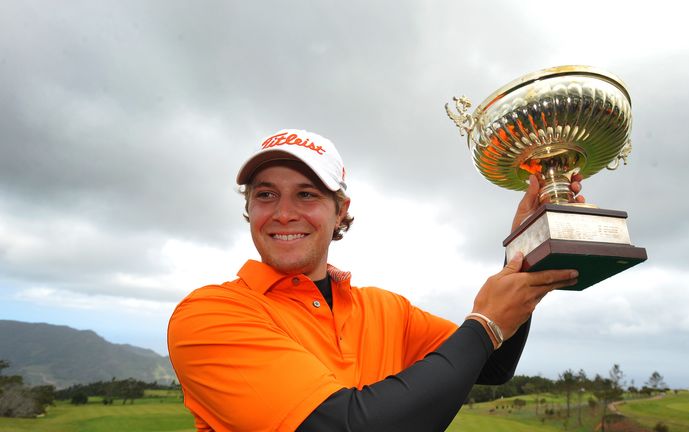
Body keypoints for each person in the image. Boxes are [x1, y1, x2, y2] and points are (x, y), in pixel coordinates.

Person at [167, 129, 581, 432]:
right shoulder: (209, 314)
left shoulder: (385, 308)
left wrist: (523, 249)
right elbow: (346, 425)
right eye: (265, 194)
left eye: (307, 194)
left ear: (340, 209)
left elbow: (490, 363)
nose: (283, 213)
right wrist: (484, 323)